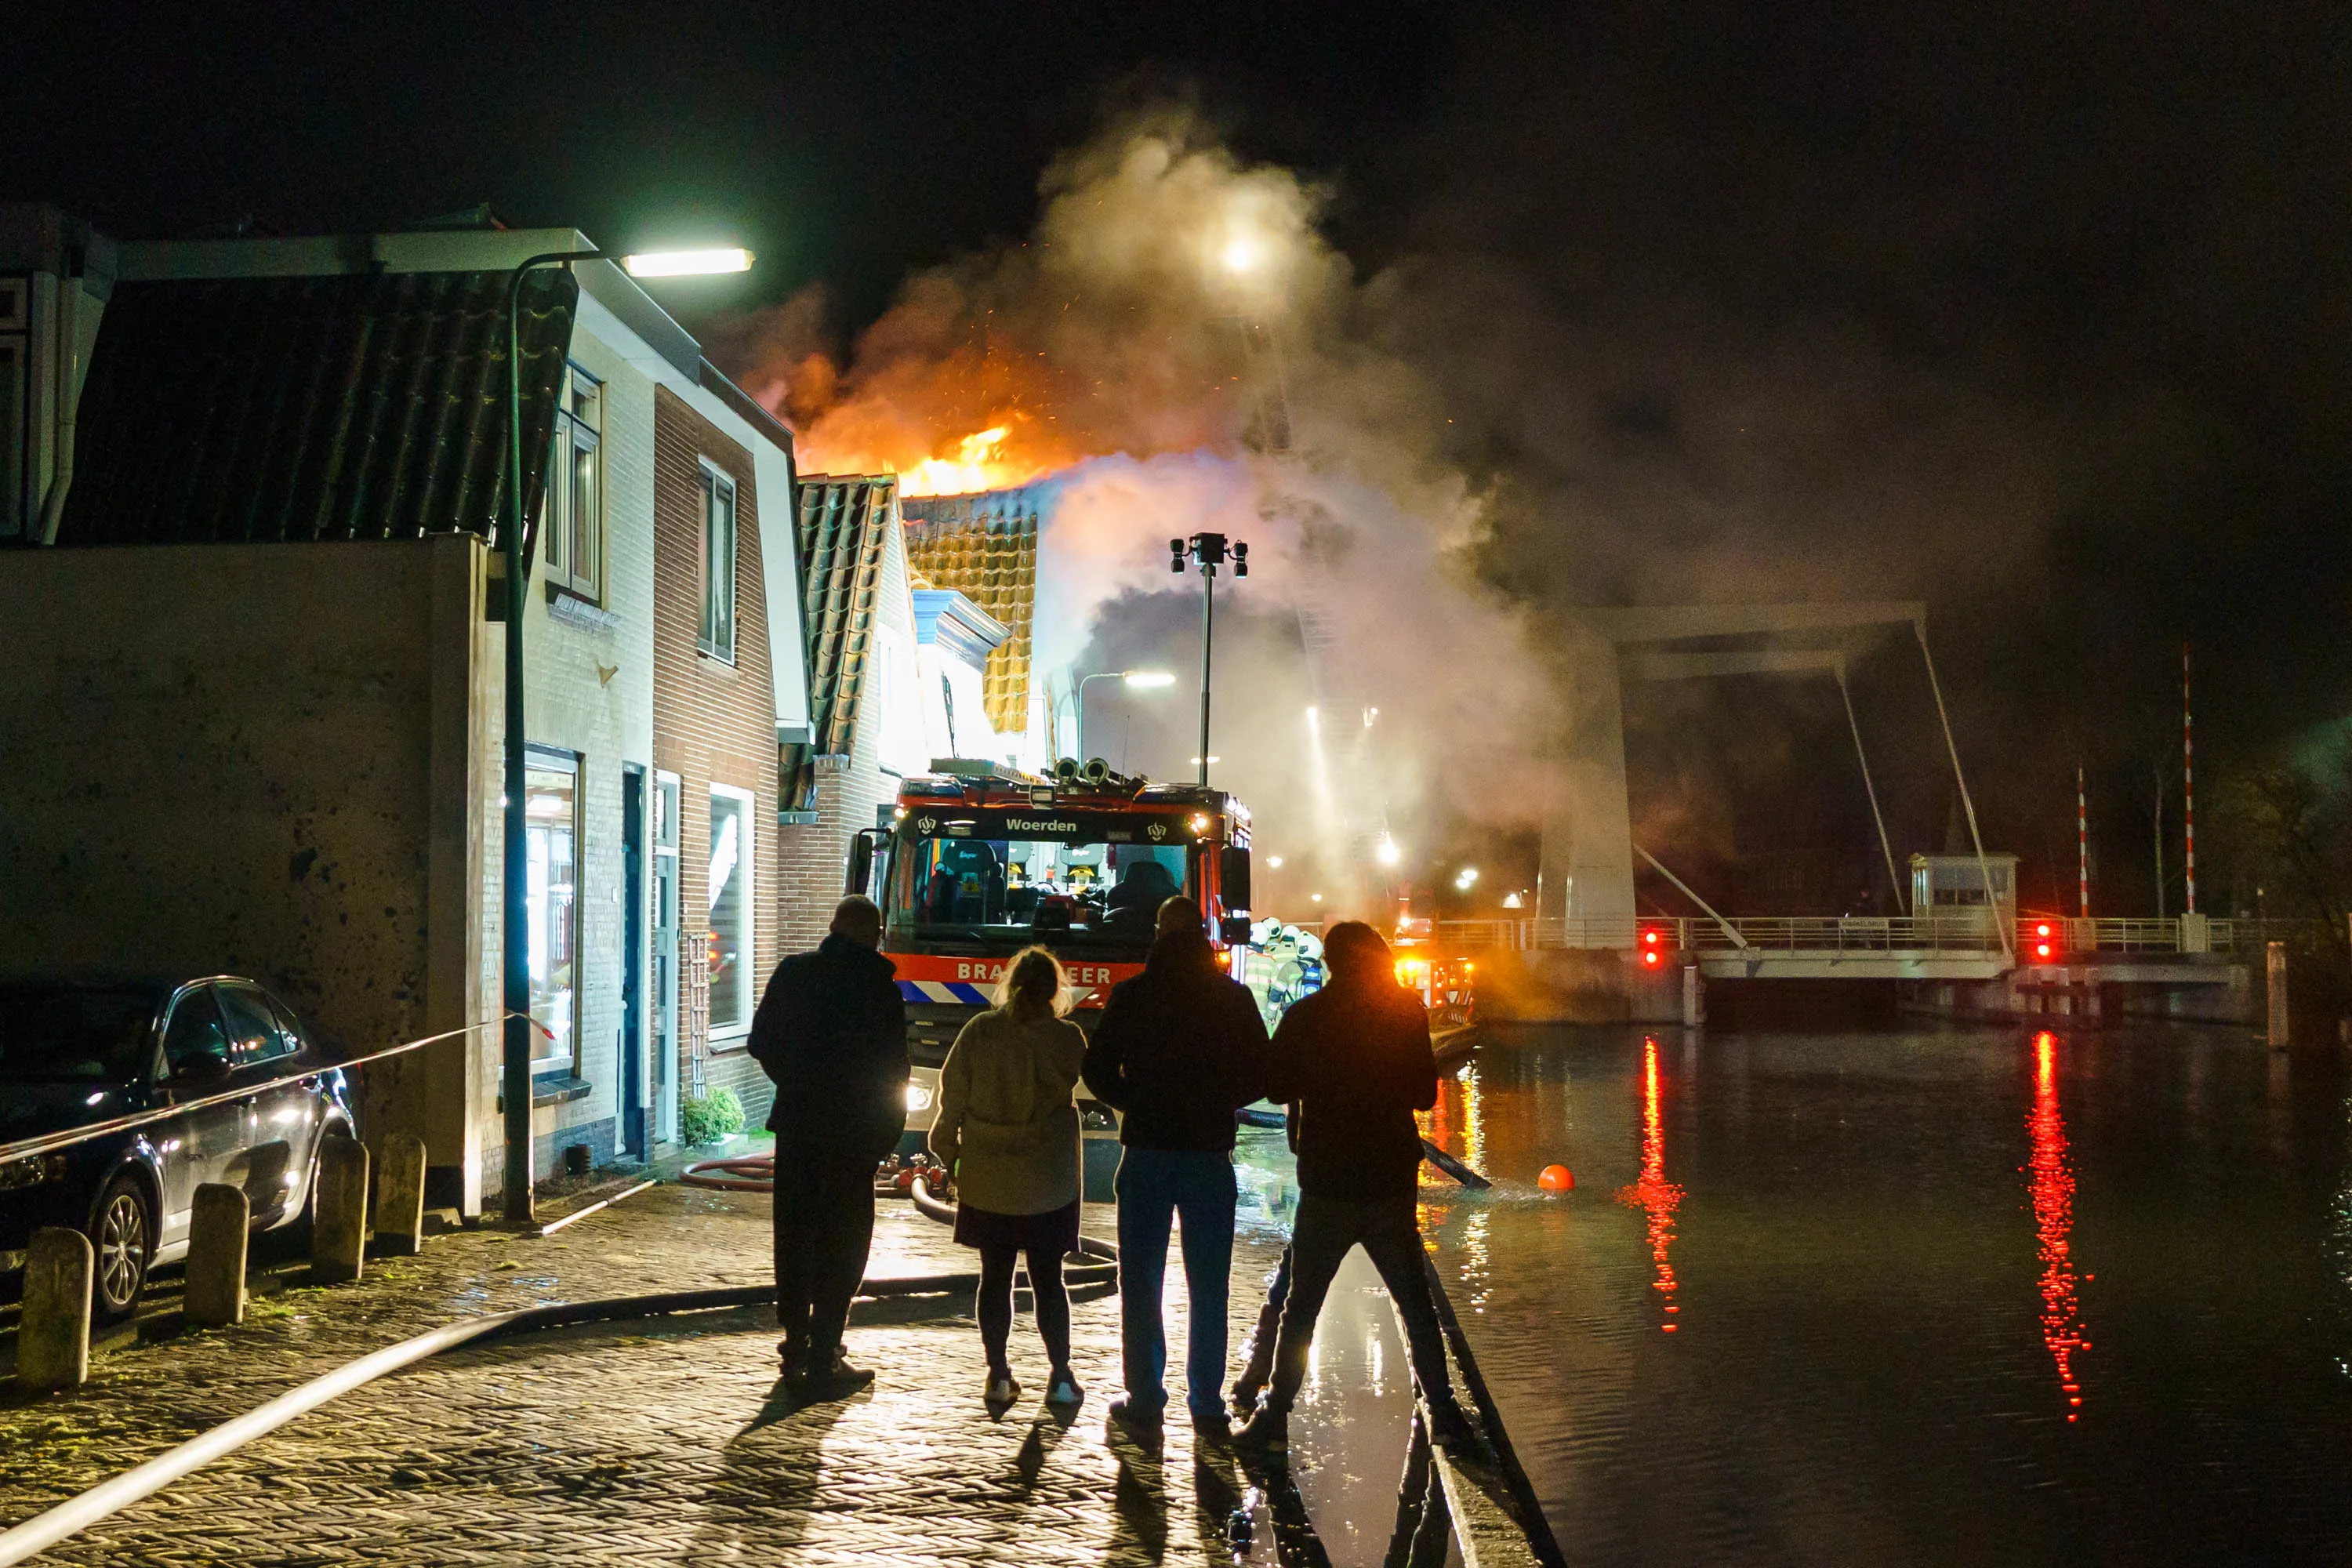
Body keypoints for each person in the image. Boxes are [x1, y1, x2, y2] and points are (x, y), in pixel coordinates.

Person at [1234, 920, 1471, 1458]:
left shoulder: (1307, 1015)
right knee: (1415, 1303)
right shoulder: (1405, 1011)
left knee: (1302, 1306)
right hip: (1389, 1178)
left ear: (1332, 962)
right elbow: (1423, 1096)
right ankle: (1445, 1414)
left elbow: (1275, 1084)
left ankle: (1274, 1418)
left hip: (1328, 1178)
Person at [1082, 895, 1270, 1438]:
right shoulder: (1232, 997)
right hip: (1208, 1155)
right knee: (1209, 1284)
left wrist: (1135, 1102)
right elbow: (1263, 1072)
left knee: (1141, 1280)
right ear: (1203, 934)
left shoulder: (1133, 995)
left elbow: (1096, 1068)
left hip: (1146, 1152)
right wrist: (1219, 1102)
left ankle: (1145, 1398)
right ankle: (1206, 1402)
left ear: (1160, 932)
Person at [746, 895, 909, 1399]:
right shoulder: (880, 990)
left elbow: (760, 1042)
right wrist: (884, 1135)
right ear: (875, 936)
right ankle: (825, 1352)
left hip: (799, 1129)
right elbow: (894, 1072)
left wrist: (795, 1083)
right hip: (855, 1137)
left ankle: (794, 1344)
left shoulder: (794, 974)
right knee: (844, 1241)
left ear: (834, 927)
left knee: (795, 1234)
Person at [930, 945, 1088, 1408]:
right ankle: (1061, 1377)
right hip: (1049, 1182)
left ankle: (998, 1374)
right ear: (1054, 990)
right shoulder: (1069, 1038)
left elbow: (950, 1099)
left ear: (1011, 985)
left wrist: (952, 1158)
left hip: (989, 1178)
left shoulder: (980, 1031)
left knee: (995, 1277)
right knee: (1049, 1279)